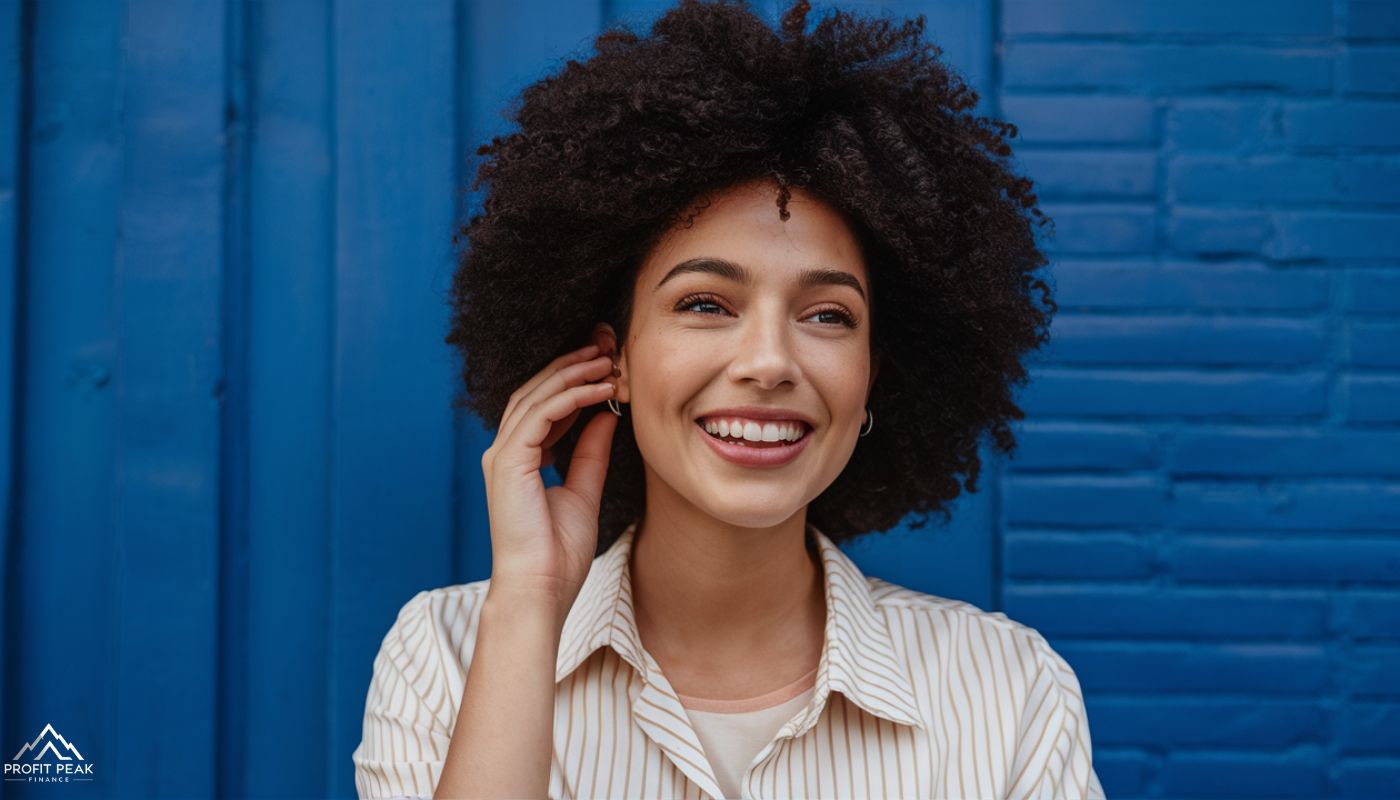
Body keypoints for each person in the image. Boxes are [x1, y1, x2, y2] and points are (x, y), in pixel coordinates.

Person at [353, 0, 1106, 797]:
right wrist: (529, 604)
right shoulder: (449, 654)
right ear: (617, 361)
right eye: (706, 303)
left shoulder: (1009, 689)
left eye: (827, 315)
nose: (770, 362)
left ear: (873, 376)